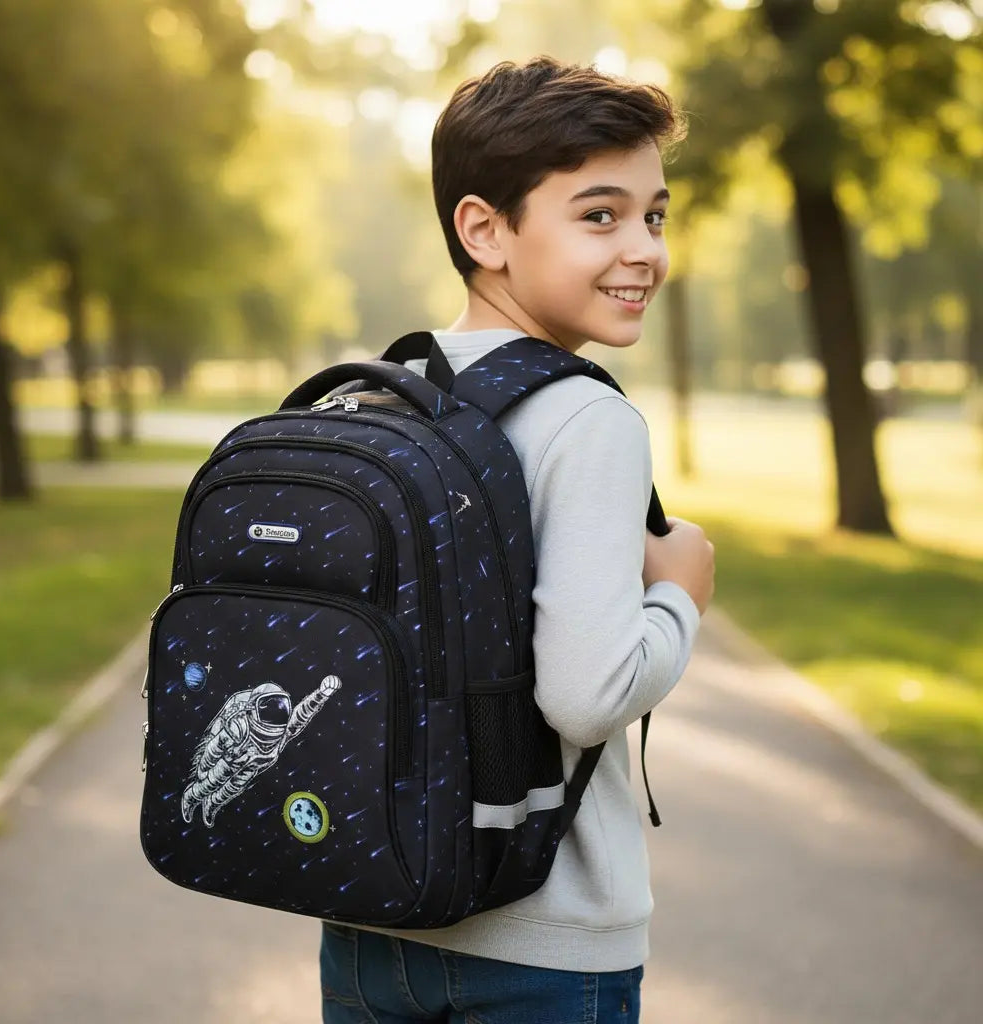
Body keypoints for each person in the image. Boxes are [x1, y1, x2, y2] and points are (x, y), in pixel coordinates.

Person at [320, 55, 715, 1024]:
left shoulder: (380, 397)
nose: (643, 249)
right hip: (543, 944)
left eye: (654, 215)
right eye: (599, 214)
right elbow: (586, 696)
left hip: (370, 922)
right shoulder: (587, 421)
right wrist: (680, 597)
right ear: (483, 229)